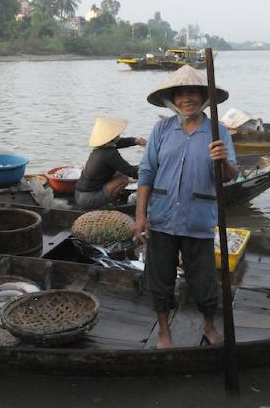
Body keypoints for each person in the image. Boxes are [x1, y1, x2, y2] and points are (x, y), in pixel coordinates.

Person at [133, 65, 237, 348]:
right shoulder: (162, 129)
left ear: (203, 97)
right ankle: (165, 331)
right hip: (163, 216)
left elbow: (231, 176)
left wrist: (223, 160)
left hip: (198, 218)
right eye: (180, 94)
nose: (186, 99)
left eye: (193, 93)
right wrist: (140, 215)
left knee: (203, 279)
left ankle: (208, 325)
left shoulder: (217, 131)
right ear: (172, 99)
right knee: (159, 277)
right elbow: (146, 173)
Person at [74, 117, 146, 210]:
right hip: (88, 199)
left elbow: (120, 142)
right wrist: (149, 176)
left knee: (119, 173)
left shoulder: (100, 149)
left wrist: (136, 141)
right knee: (123, 179)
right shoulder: (109, 154)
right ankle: (105, 205)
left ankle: (105, 199)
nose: (119, 135)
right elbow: (130, 171)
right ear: (111, 138)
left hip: (78, 194)